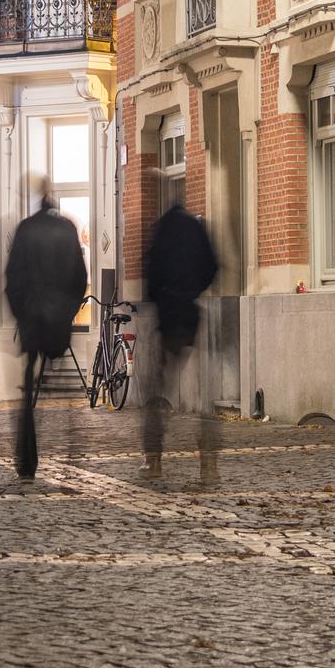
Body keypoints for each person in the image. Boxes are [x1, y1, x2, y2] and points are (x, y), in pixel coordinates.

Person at [3, 183, 88, 479]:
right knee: (61, 385)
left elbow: (12, 278)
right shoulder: (66, 230)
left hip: (32, 318)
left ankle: (27, 456)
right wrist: (69, 311)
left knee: (30, 384)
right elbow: (80, 276)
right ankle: (71, 444)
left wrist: (21, 314)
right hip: (58, 318)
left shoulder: (26, 229)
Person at [141, 202, 221, 483]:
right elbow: (212, 265)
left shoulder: (161, 229)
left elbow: (149, 275)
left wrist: (161, 298)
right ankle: (209, 463)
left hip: (167, 316)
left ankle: (154, 460)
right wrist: (192, 291)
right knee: (203, 394)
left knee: (157, 387)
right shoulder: (195, 227)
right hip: (190, 312)